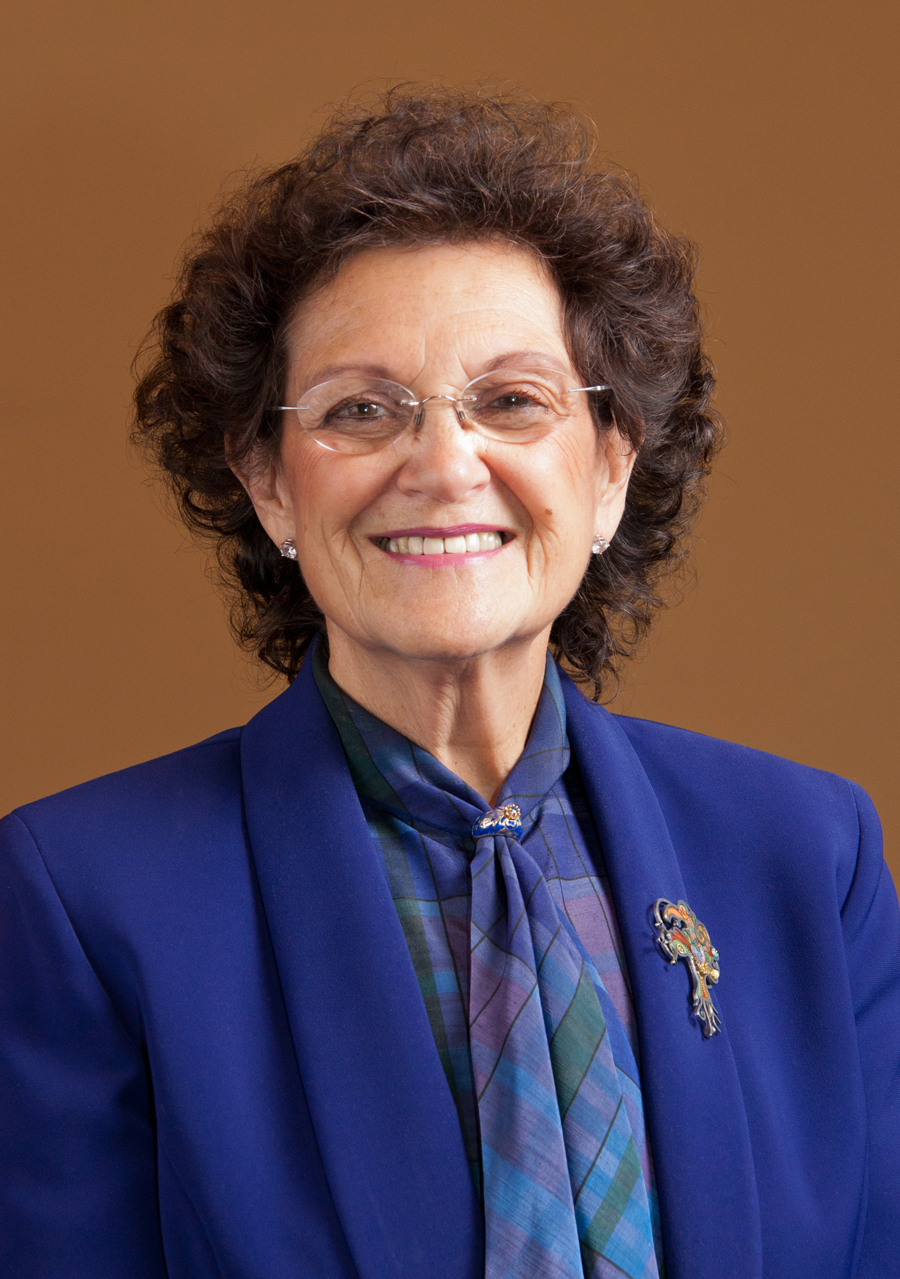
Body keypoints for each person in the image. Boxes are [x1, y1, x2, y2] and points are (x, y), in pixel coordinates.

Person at [1, 88, 897, 1279]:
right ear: (268, 483)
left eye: (512, 401)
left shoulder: (809, 856)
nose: (443, 462)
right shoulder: (82, 897)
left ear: (611, 469)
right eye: (360, 410)